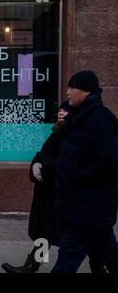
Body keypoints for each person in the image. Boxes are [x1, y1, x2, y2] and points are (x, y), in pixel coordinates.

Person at [1, 101, 106, 273]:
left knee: (80, 236)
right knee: (47, 233)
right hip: (49, 194)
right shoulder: (58, 131)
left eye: (66, 111)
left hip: (62, 194)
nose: (61, 113)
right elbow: (43, 155)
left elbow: (69, 162)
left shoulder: (74, 134)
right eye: (60, 110)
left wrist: (44, 168)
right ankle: (31, 267)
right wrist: (35, 164)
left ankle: (98, 266)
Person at [51, 70, 118, 273]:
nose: (68, 92)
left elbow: (109, 160)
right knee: (110, 254)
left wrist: (76, 177)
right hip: (85, 206)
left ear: (87, 92)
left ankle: (34, 264)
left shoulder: (99, 119)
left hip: (87, 206)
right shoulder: (77, 117)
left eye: (73, 88)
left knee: (66, 260)